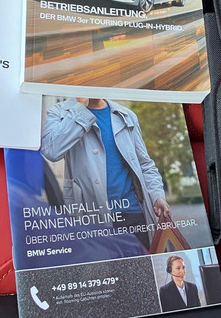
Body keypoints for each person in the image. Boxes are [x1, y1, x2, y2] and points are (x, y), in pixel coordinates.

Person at [40, 97, 171, 249]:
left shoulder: (126, 115)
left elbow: (145, 164)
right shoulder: (60, 112)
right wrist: (80, 108)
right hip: (92, 219)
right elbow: (51, 151)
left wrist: (157, 195)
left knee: (142, 264)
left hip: (134, 213)